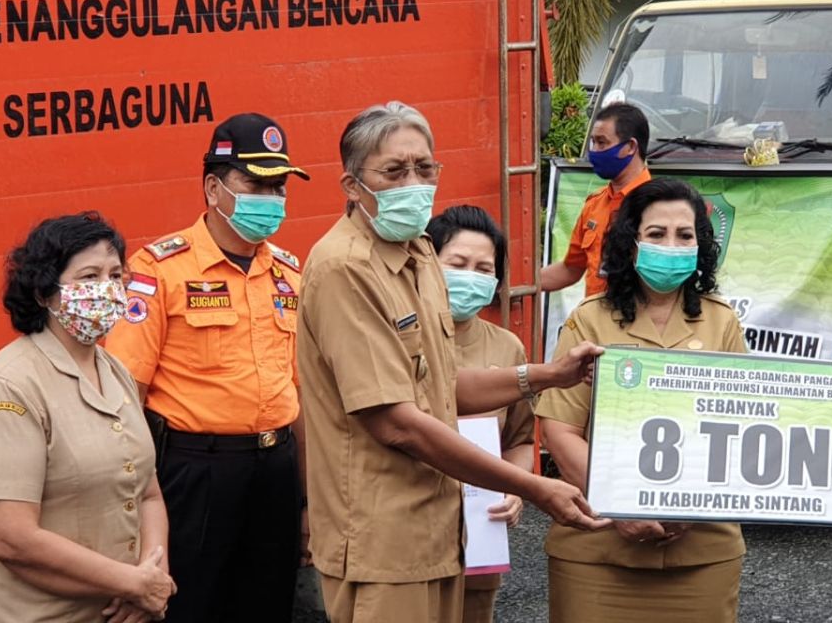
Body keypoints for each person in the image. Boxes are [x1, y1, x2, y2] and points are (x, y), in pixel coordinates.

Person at [297, 101, 609, 623]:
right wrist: (532, 487)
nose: (414, 182)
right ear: (352, 185)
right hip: (384, 545)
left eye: (424, 167)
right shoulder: (344, 269)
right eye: (394, 171)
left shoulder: (418, 253)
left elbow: (439, 387)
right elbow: (398, 423)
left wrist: (547, 376)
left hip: (439, 532)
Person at [105, 112, 311, 623]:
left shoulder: (289, 273)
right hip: (196, 471)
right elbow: (124, 393)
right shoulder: (160, 270)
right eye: (256, 183)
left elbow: (303, 393)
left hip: (276, 469)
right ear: (213, 187)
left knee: (267, 605)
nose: (271, 198)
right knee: (189, 605)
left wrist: (308, 499)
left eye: (278, 185)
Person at [537, 177, 747, 623]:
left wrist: (693, 507)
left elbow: (740, 430)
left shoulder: (722, 323)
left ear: (701, 244)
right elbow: (560, 429)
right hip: (597, 545)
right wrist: (618, 503)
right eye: (656, 234)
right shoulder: (588, 320)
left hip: (702, 548)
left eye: (684, 235)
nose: (671, 245)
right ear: (630, 244)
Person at [0, 212, 175, 623]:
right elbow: (8, 536)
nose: (107, 288)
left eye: (116, 274)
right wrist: (131, 583)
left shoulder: (115, 369)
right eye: (89, 277)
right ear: (44, 293)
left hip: (118, 609)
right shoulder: (9, 384)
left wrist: (150, 576)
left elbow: (147, 493)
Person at [428, 205, 536, 623]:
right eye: (457, 264)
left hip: (480, 535)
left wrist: (516, 488)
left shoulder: (508, 348)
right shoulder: (397, 338)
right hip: (407, 535)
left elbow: (521, 439)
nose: (470, 276)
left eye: (483, 268)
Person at [541, 102, 651, 297]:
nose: (594, 151)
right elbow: (570, 269)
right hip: (596, 320)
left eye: (602, 142)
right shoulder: (595, 204)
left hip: (640, 319)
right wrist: (515, 284)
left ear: (630, 147)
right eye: (593, 142)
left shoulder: (658, 204)